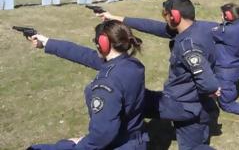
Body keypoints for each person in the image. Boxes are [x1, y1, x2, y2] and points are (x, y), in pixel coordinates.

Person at [98, 0, 219, 150]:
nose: (165, 19)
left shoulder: (189, 46)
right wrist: (117, 18)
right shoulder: (198, 28)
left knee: (131, 101)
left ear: (175, 16)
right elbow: (153, 27)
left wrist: (211, 89)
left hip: (183, 104)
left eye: (165, 15)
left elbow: (208, 84)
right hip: (191, 101)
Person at [27, 20, 149, 150]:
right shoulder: (132, 65)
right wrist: (47, 42)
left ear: (103, 44)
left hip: (116, 145)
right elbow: (84, 54)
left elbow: (102, 135)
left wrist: (74, 144)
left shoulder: (107, 84)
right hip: (135, 142)